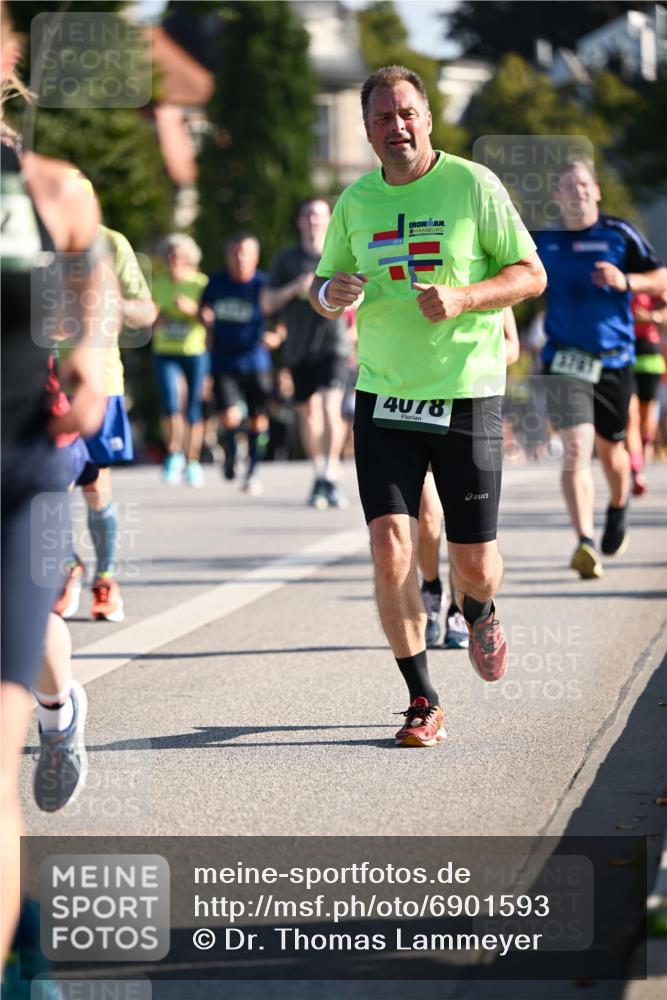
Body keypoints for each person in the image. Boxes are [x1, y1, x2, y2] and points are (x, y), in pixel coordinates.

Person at [309, 65, 546, 747]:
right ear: (366, 130)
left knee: (473, 561)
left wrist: (467, 297)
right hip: (383, 395)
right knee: (390, 544)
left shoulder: (472, 184)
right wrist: (331, 296)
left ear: (427, 118)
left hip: (467, 395)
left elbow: (530, 274)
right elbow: (321, 285)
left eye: (406, 113)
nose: (396, 126)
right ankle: (420, 697)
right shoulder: (354, 202)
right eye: (382, 118)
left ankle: (479, 607)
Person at [1, 6, 108, 958]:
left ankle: (56, 714)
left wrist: (85, 384)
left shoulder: (49, 190)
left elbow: (96, 339)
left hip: (26, 455)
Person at [535, 159, 667, 580]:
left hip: (614, 360)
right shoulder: (544, 240)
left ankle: (617, 504)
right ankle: (585, 541)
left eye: (583, 184)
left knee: (614, 453)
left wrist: (627, 282)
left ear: (596, 191)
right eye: (567, 186)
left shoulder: (619, 234)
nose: (576, 192)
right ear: (557, 196)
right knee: (576, 447)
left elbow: (661, 277)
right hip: (564, 361)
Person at [55, 224, 157, 621]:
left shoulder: (111, 242)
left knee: (95, 484)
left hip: (99, 382)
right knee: (47, 483)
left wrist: (108, 306)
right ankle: (65, 566)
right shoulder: (25, 237)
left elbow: (145, 310)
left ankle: (106, 578)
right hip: (38, 381)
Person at [420, 307, 521, 648]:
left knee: (461, 529)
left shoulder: (483, 279)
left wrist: (472, 355)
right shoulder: (407, 277)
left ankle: (456, 607)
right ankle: (431, 586)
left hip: (466, 408)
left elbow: (512, 345)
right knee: (427, 517)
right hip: (414, 406)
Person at [262, 198, 352, 509]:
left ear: (329, 220)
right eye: (308, 214)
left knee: (330, 408)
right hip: (299, 348)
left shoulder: (339, 253)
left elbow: (360, 296)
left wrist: (338, 298)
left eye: (319, 214)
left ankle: (330, 474)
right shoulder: (286, 259)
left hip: (335, 344)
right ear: (300, 221)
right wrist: (295, 288)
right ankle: (319, 474)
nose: (314, 220)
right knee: (308, 414)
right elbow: (266, 303)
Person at [200, 233, 273, 494]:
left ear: (256, 256)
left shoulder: (264, 284)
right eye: (234, 252)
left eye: (245, 252)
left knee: (257, 418)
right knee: (230, 417)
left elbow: (281, 313)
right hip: (224, 359)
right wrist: (205, 318)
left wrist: (279, 334)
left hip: (255, 360)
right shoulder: (216, 283)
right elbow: (204, 309)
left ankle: (252, 470)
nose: (239, 258)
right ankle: (231, 451)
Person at [152, 234, 209, 486]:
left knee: (194, 407)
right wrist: (157, 319)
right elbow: (146, 315)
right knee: (170, 402)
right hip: (165, 351)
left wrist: (192, 310)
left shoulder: (200, 283)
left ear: (189, 258)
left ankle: (193, 461)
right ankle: (173, 454)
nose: (173, 260)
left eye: (178, 256)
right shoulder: (158, 283)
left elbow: (211, 319)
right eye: (169, 255)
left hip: (194, 351)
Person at [626, 292, 667, 495]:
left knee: (645, 414)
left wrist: (652, 317)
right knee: (630, 415)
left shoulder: (654, 280)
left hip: (650, 355)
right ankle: (636, 469)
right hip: (625, 352)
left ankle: (644, 443)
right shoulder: (617, 276)